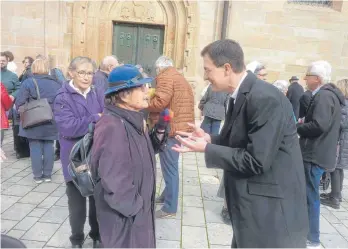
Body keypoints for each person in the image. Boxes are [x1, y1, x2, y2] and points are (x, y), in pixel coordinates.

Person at [173, 39, 308, 248]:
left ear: (227, 68)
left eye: (208, 70)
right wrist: (210, 139)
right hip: (252, 210)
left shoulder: (264, 97)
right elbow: (239, 142)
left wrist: (207, 149)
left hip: (270, 216)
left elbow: (256, 160)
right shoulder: (239, 95)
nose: (204, 77)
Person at [91, 65, 169, 248]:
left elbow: (142, 153)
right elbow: (115, 182)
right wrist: (136, 208)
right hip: (125, 221)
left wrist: (160, 128)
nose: (147, 91)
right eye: (141, 87)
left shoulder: (133, 118)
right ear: (123, 95)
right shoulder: (113, 125)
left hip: (138, 216)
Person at [53, 56, 103, 248]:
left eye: (90, 73)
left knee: (97, 200)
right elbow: (68, 128)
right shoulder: (62, 97)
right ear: (71, 73)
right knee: (77, 205)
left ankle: (97, 235)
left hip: (97, 155)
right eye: (81, 72)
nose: (86, 77)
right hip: (74, 158)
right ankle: (76, 239)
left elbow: (106, 117)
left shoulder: (97, 93)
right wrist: (95, 118)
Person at [297, 61, 344, 248]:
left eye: (307, 75)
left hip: (314, 153)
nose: (305, 79)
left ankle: (312, 238)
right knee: (309, 195)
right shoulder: (327, 95)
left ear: (317, 78)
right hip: (318, 152)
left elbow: (319, 125)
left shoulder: (324, 96)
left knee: (310, 196)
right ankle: (307, 233)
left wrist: (297, 127)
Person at [147, 55, 195, 218]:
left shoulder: (166, 77)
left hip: (170, 129)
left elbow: (161, 102)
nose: (156, 73)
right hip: (180, 127)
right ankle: (166, 196)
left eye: (156, 70)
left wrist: (144, 103)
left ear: (160, 68)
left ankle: (170, 208)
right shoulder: (179, 77)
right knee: (172, 165)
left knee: (170, 168)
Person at [15, 58, 61, 183]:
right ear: (47, 68)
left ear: (34, 68)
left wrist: (19, 118)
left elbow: (20, 102)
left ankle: (37, 176)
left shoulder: (28, 82)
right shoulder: (57, 83)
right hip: (52, 119)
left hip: (33, 119)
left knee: (35, 146)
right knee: (49, 146)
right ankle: (47, 175)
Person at [320, 78, 348, 209]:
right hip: (343, 140)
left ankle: (335, 198)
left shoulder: (345, 105)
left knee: (335, 168)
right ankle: (336, 193)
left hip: (341, 140)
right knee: (339, 168)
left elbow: (342, 123)